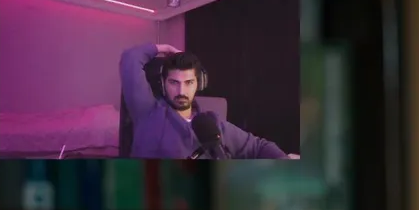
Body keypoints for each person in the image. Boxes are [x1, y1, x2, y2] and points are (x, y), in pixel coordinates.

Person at [118, 44, 292, 159]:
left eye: (189, 83)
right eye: (174, 83)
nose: (181, 91)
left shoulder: (212, 124)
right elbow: (130, 58)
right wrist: (164, 48)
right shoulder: (147, 112)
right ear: (163, 84)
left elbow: (259, 147)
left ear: (199, 83)